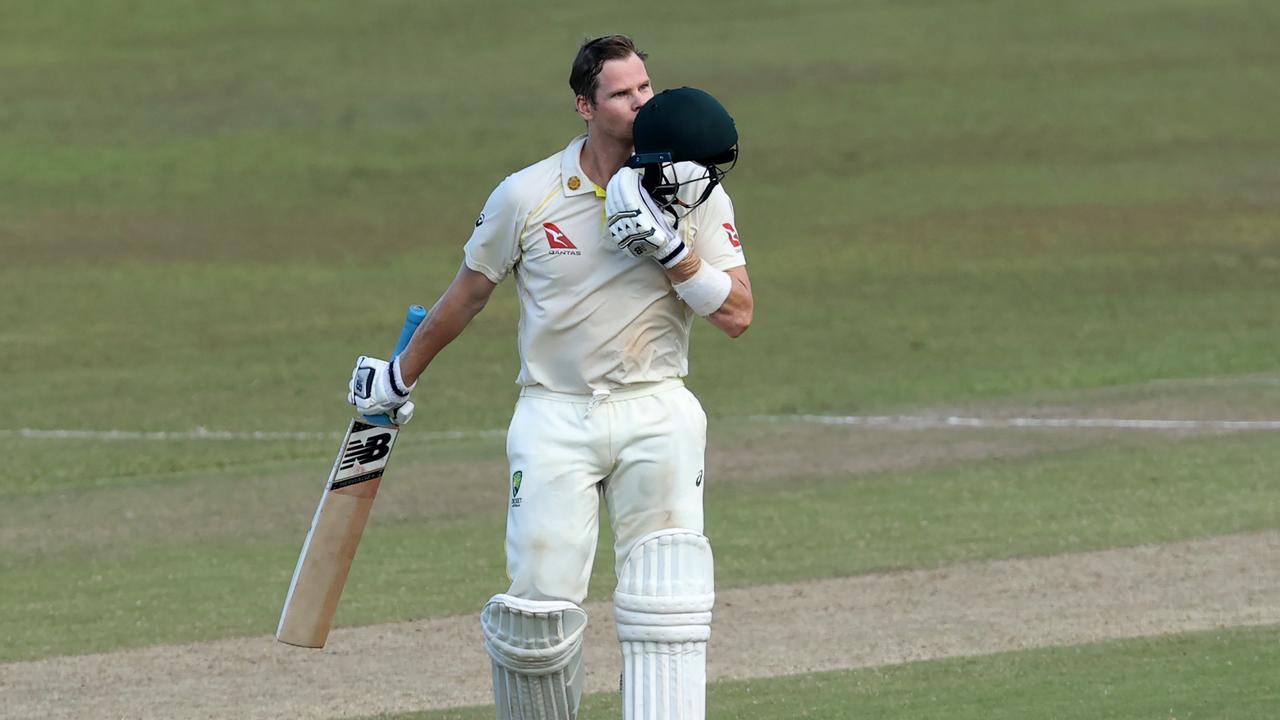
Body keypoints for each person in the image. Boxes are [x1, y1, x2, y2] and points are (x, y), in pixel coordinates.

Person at [347, 34, 753, 720]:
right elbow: (467, 295)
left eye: (645, 89)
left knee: (667, 607)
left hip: (657, 408)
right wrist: (398, 378)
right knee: (535, 620)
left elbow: (738, 314)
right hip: (554, 415)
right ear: (584, 106)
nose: (639, 103)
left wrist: (672, 251)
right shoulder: (527, 194)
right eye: (622, 94)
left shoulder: (693, 190)